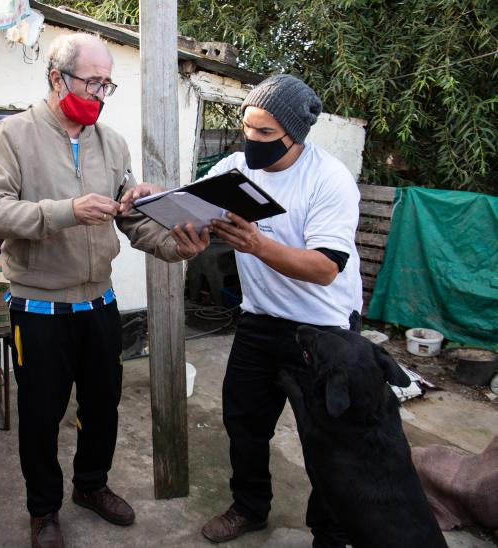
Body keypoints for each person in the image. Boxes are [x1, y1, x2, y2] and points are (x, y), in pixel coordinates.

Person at [0, 33, 209, 548]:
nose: (100, 94)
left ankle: (91, 487)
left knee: (102, 407)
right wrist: (66, 212)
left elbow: (135, 223)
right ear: (57, 78)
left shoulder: (112, 142)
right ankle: (43, 511)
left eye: (108, 84)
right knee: (40, 416)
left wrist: (177, 248)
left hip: (100, 304)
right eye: (92, 81)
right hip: (38, 308)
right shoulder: (13, 135)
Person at [198, 74, 363, 547]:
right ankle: (249, 507)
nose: (251, 140)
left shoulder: (329, 179)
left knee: (326, 439)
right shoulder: (235, 169)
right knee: (244, 423)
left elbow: (325, 267)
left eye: (265, 133)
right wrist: (159, 198)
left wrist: (257, 244)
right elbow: (191, 202)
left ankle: (329, 533)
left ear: (295, 134)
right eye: (246, 128)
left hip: (324, 332)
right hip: (260, 322)